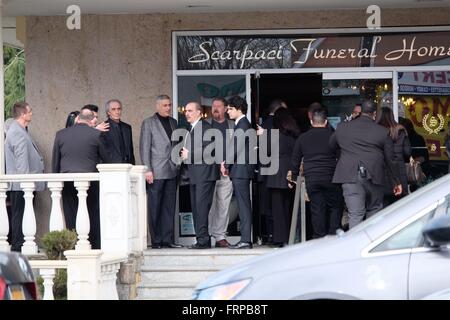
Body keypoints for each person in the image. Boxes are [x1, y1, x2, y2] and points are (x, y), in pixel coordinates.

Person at [329, 100, 402, 229]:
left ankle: (354, 246)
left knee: (355, 214)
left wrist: (345, 154)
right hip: (374, 175)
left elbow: (331, 145)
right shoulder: (382, 131)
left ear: (360, 111)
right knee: (374, 212)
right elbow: (390, 159)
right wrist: (396, 182)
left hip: (349, 175)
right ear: (374, 113)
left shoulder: (343, 127)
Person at [52, 108, 110, 249]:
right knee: (92, 214)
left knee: (71, 213)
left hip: (67, 181)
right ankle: (94, 245)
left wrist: (55, 181)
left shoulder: (61, 134)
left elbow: (55, 162)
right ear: (91, 121)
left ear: (77, 119)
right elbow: (107, 159)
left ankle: (72, 245)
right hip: (91, 182)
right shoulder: (97, 134)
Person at [290, 107, 343, 239]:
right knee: (335, 207)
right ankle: (333, 236)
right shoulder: (333, 136)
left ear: (312, 122)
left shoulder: (303, 138)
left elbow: (295, 160)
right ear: (326, 121)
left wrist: (294, 178)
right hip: (331, 178)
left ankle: (319, 238)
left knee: (317, 209)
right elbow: (341, 156)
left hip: (312, 179)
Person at [139, 94, 182, 249]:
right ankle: (156, 240)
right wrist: (147, 170)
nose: (168, 108)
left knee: (169, 206)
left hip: (172, 170)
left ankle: (167, 239)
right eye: (165, 105)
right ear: (157, 107)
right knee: (155, 206)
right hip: (156, 172)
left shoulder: (174, 122)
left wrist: (177, 164)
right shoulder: (148, 123)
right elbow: (144, 148)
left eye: (169, 105)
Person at [5, 102, 45, 252]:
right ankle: (19, 245)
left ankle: (21, 244)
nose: (31, 114)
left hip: (23, 185)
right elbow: (21, 161)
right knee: (20, 215)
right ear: (23, 114)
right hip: (22, 185)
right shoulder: (17, 132)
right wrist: (26, 182)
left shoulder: (20, 130)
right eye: (30, 111)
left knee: (23, 215)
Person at [180, 102, 219, 249]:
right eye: (186, 111)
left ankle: (203, 241)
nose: (187, 113)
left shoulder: (205, 127)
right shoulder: (193, 128)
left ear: (199, 112)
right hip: (196, 174)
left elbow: (209, 150)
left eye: (190, 111)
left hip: (205, 174)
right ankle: (202, 239)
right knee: (197, 208)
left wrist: (189, 154)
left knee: (201, 208)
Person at [222, 96, 255, 249]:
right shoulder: (242, 124)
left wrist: (226, 164)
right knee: (243, 204)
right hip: (241, 170)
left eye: (230, 109)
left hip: (241, 171)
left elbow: (235, 147)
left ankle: (246, 240)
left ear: (239, 109)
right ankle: (246, 239)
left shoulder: (242, 125)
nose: (227, 111)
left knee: (243, 205)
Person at [265, 108, 300, 246]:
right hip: (290, 173)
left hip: (276, 174)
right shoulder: (295, 135)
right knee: (288, 207)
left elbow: (266, 152)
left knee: (278, 209)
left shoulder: (273, 135)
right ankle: (291, 237)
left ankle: (280, 238)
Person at [256, 99, 287, 244]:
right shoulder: (279, 125)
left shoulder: (264, 125)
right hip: (276, 172)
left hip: (265, 172)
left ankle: (269, 235)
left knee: (269, 207)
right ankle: (276, 236)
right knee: (277, 206)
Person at [205, 97, 234, 248]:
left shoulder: (232, 126)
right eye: (213, 106)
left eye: (218, 106)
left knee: (224, 204)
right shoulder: (205, 125)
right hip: (209, 171)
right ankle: (207, 235)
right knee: (209, 205)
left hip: (226, 172)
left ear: (225, 108)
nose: (215, 108)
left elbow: (237, 147)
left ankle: (220, 236)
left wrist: (228, 164)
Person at [376, 107, 411, 205]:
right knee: (400, 205)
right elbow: (407, 152)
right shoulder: (400, 130)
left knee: (382, 205)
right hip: (399, 171)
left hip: (381, 171)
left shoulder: (375, 131)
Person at [103, 99, 135, 164]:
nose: (117, 112)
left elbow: (130, 150)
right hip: (111, 167)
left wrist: (132, 165)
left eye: (119, 109)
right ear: (108, 112)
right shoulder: (103, 127)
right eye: (113, 109)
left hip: (127, 166)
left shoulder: (127, 127)